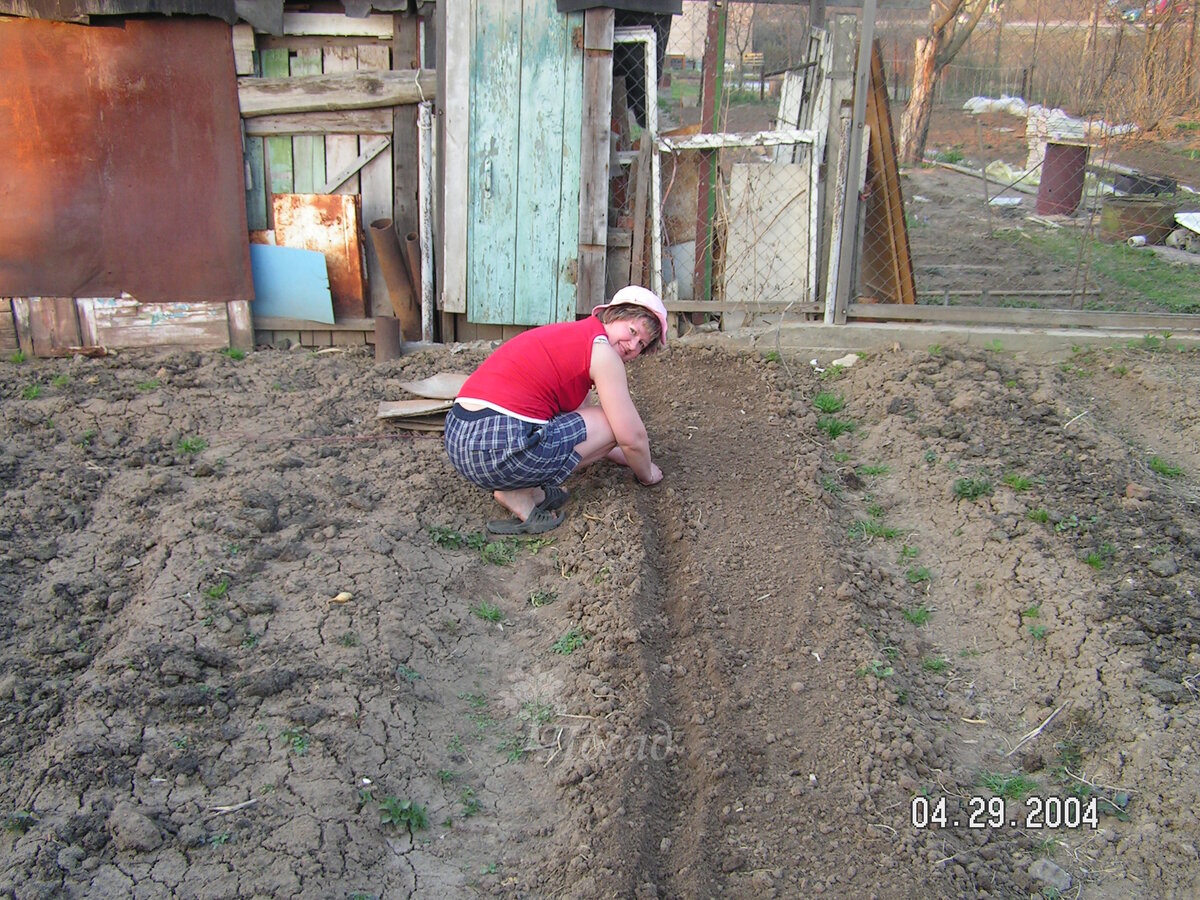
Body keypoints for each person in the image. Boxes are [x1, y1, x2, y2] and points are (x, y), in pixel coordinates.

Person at [444, 285, 668, 535]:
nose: (633, 346)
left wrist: (622, 454)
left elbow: (582, 428)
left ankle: (526, 489)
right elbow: (631, 437)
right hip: (497, 446)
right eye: (632, 330)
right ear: (614, 315)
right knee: (610, 420)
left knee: (589, 422)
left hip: (460, 437)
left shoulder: (576, 336)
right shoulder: (603, 354)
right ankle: (516, 491)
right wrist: (647, 472)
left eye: (642, 344)